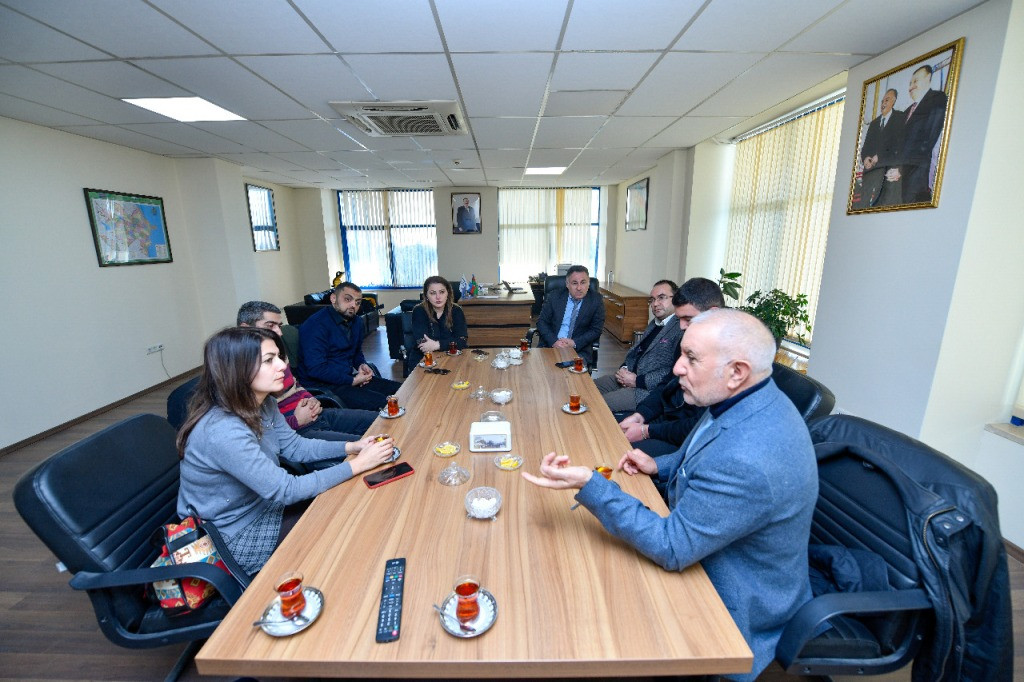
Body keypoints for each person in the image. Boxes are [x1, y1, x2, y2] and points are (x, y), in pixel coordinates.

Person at [523, 308, 817, 681]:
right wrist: (660, 465)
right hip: (714, 545)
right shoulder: (747, 396)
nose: (677, 368)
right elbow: (708, 442)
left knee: (583, 604)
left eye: (691, 358)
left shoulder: (746, 458)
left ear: (736, 372)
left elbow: (672, 547)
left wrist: (590, 483)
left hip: (734, 599)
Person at [176, 326, 395, 575]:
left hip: (263, 505)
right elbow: (286, 489)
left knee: (348, 506)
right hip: (234, 534)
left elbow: (295, 446)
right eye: (269, 360)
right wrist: (358, 464)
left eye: (279, 357)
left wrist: (352, 447)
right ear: (237, 370)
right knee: (344, 527)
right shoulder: (223, 431)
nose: (282, 365)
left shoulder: (264, 403)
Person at [236, 300, 377, 441]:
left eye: (279, 326)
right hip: (295, 432)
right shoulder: (240, 371)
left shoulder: (277, 352)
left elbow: (294, 384)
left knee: (381, 421)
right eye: (270, 326)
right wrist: (296, 421)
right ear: (245, 328)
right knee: (371, 445)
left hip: (315, 415)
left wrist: (311, 399)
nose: (279, 332)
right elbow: (263, 433)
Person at [619, 277, 724, 457]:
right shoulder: (691, 339)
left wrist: (646, 431)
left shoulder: (726, 358)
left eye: (688, 319)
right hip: (667, 421)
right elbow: (667, 385)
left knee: (619, 452)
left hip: (686, 441)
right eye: (679, 319)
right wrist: (640, 415)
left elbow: (698, 426)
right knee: (613, 429)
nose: (682, 326)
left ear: (713, 313)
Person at [298, 282, 402, 411]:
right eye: (347, 299)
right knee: (385, 403)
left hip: (347, 378)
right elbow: (316, 369)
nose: (353, 305)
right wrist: (351, 381)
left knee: (401, 391)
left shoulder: (356, 322)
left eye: (358, 302)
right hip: (324, 386)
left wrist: (361, 364)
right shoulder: (314, 325)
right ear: (333, 298)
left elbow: (356, 352)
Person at [594, 279, 681, 412]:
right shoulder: (654, 323)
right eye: (652, 299)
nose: (655, 304)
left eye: (661, 298)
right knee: (589, 388)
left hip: (646, 390)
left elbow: (672, 373)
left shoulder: (680, 328)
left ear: (675, 299)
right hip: (627, 378)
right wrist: (624, 368)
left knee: (599, 405)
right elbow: (636, 352)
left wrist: (637, 381)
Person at [886, 65, 948, 204]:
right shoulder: (908, 111)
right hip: (898, 180)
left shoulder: (937, 99)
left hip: (917, 178)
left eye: (915, 81)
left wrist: (902, 169)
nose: (911, 86)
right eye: (910, 83)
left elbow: (927, 141)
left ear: (928, 78)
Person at [535, 265, 605, 366]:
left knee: (572, 373)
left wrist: (574, 343)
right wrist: (554, 341)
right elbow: (541, 322)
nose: (579, 288)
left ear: (589, 283)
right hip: (551, 345)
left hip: (579, 349)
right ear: (567, 284)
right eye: (574, 283)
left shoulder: (596, 300)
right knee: (542, 371)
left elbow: (596, 330)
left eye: (583, 282)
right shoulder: (554, 296)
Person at [855, 88, 905, 208]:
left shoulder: (900, 118)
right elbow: (865, 147)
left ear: (894, 101)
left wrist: (880, 157)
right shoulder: (873, 124)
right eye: (882, 101)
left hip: (888, 171)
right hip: (870, 172)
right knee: (863, 205)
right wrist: (865, 158)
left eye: (887, 100)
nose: (883, 103)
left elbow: (899, 145)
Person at [408, 276, 468, 367]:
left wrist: (437, 345)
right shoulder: (419, 311)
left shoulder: (456, 311)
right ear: (426, 295)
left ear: (448, 293)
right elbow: (424, 344)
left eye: (442, 292)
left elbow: (462, 341)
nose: (438, 297)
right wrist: (450, 342)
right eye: (433, 293)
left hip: (452, 358)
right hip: (424, 359)